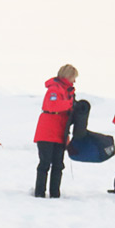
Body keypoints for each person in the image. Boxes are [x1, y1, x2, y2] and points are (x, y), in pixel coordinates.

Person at [33, 64, 77, 198]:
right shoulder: (54, 89)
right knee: (45, 163)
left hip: (59, 133)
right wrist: (70, 104)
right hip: (47, 132)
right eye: (73, 78)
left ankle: (54, 193)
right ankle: (39, 193)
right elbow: (52, 106)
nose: (74, 81)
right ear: (68, 76)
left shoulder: (68, 92)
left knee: (58, 165)